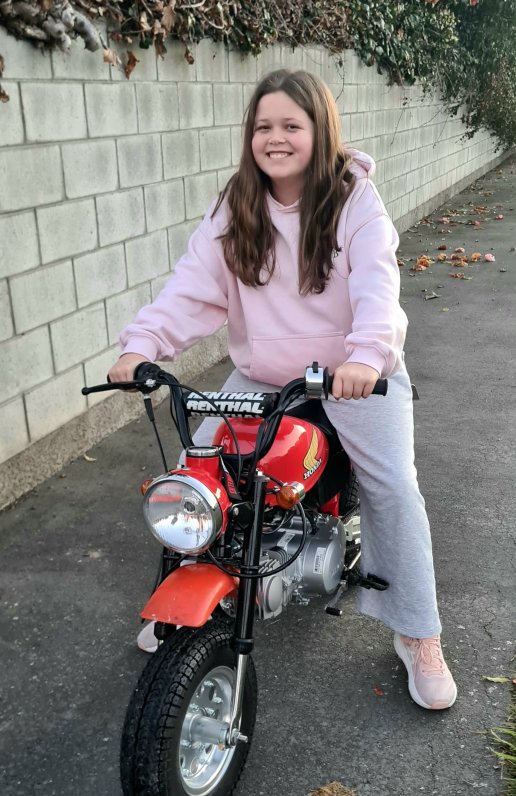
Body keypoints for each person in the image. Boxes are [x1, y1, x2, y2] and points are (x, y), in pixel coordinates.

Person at [108, 68, 457, 711]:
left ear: (319, 132)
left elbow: (377, 288)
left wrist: (367, 357)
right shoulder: (236, 203)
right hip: (266, 375)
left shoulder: (354, 200)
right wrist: (143, 345)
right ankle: (189, 591)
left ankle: (417, 631)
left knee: (393, 487)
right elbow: (192, 287)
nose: (276, 138)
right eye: (263, 126)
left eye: (291, 125)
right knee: (200, 470)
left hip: (355, 375)